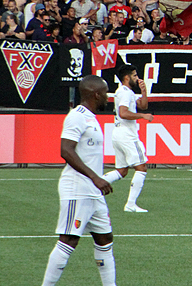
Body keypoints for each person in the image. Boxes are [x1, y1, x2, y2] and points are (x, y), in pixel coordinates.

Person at [40, 75, 116, 286]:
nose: (108, 97)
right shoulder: (77, 116)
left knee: (105, 239)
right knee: (69, 240)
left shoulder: (91, 117)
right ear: (96, 94)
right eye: (106, 93)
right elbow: (66, 150)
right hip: (77, 188)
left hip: (93, 191)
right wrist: (95, 177)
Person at [101, 64, 153, 213]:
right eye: (134, 75)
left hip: (118, 133)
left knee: (122, 171)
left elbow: (142, 105)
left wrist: (144, 91)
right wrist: (142, 116)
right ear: (126, 77)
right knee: (141, 168)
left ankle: (93, 186)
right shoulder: (125, 93)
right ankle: (130, 204)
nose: (137, 78)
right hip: (127, 135)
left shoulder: (125, 92)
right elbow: (123, 113)